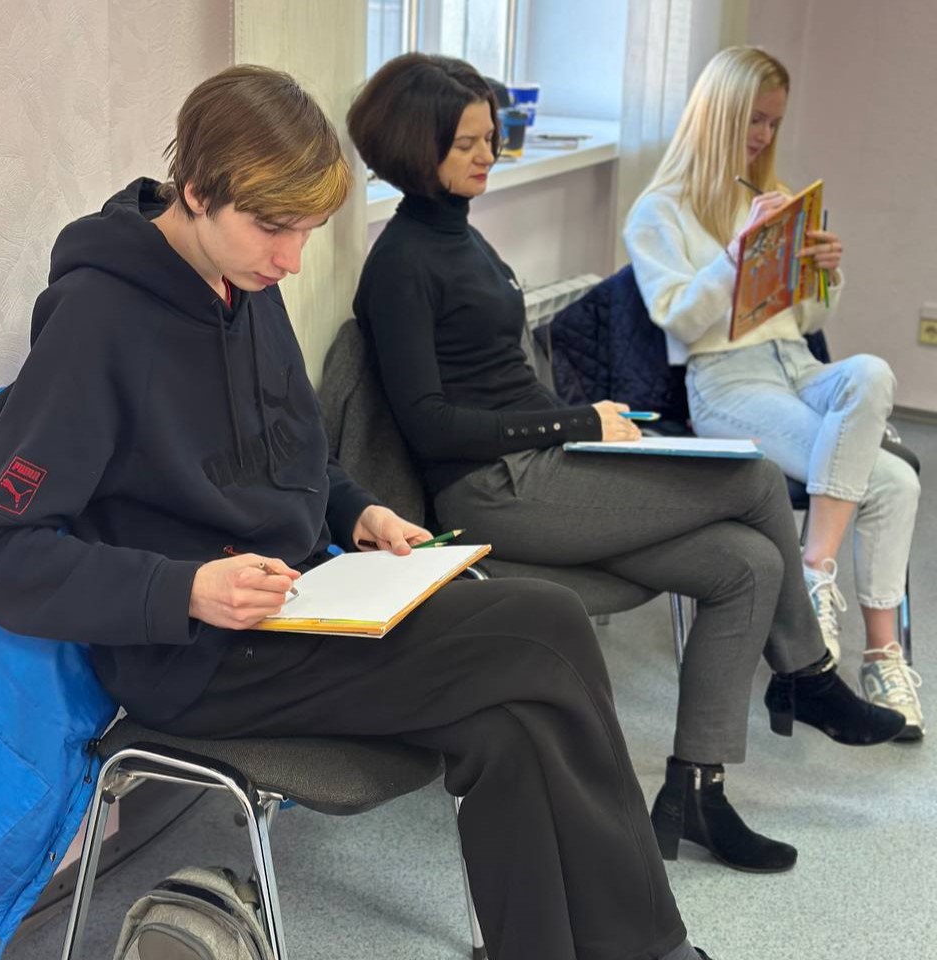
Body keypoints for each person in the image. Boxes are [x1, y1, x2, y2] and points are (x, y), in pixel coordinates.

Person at [0, 65, 718, 960]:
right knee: (548, 623)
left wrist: (360, 510)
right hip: (199, 654)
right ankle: (658, 951)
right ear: (198, 191)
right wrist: (187, 589)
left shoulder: (243, 282)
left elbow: (295, 455)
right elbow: (2, 554)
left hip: (303, 605)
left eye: (306, 231)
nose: (292, 260)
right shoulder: (96, 321)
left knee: (511, 725)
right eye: (274, 228)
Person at [346, 51, 906, 877]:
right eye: (466, 143)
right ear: (412, 145)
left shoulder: (462, 236)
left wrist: (589, 431)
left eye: (491, 138)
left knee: (747, 564)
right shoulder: (401, 263)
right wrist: (577, 421)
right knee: (753, 476)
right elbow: (431, 427)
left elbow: (499, 379)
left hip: (547, 465)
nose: (487, 155)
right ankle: (807, 674)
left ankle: (696, 794)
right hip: (494, 491)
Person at [624, 45, 924, 740]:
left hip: (796, 364)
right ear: (719, 115)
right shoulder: (657, 212)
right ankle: (880, 654)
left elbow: (806, 319)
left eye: (773, 123)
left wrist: (825, 274)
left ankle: (817, 571)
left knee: (873, 371)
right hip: (726, 380)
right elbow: (680, 320)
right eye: (753, 119)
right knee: (895, 482)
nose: (763, 135)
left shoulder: (768, 195)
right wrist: (735, 258)